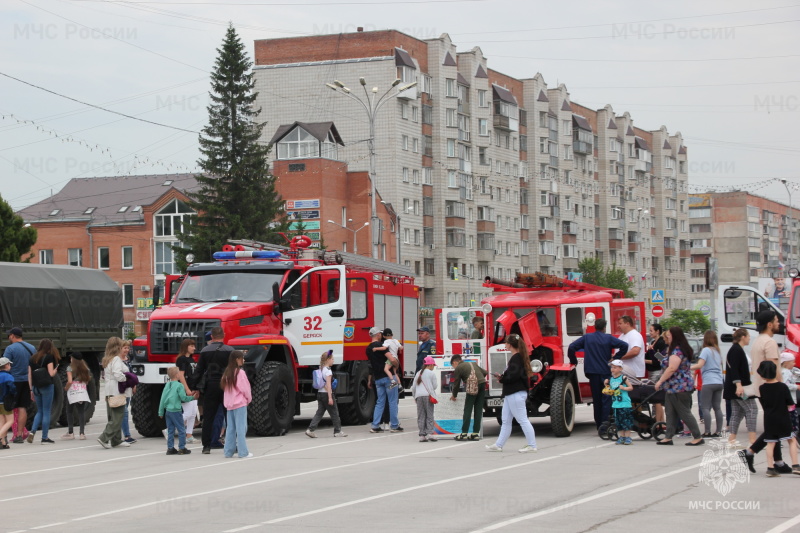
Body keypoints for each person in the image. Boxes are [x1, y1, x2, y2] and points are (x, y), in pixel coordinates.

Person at [738, 310, 793, 473]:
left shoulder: (757, 341)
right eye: (776, 321)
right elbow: (773, 367)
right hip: (773, 387)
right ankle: (749, 452)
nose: (778, 324)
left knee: (773, 426)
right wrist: (781, 388)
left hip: (761, 387)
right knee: (774, 427)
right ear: (769, 324)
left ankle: (778, 462)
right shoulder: (769, 342)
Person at [568, 318, 629, 428]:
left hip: (592, 372)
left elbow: (572, 347)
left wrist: (573, 361)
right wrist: (615, 358)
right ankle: (605, 423)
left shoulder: (587, 338)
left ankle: (599, 424)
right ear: (604, 327)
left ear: (595, 326)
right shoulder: (608, 338)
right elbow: (624, 346)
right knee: (606, 398)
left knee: (596, 400)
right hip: (605, 372)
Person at [486, 334, 537, 453]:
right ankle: (499, 444)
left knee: (522, 420)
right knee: (506, 420)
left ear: (510, 344)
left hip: (515, 393)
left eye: (506, 342)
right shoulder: (518, 357)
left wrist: (502, 378)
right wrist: (503, 377)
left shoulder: (516, 358)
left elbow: (513, 376)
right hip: (512, 394)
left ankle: (532, 445)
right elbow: (514, 375)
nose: (505, 344)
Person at [655, 327, 703, 446]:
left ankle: (697, 436)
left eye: (669, 335)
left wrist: (660, 381)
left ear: (675, 336)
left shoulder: (677, 351)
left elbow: (672, 368)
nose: (667, 337)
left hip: (679, 387)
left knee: (684, 412)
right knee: (670, 411)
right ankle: (668, 436)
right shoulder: (676, 350)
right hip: (672, 387)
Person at [190, 327, 234, 454]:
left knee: (208, 417)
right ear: (223, 335)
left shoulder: (205, 351)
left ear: (212, 337)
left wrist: (194, 387)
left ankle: (206, 446)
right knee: (229, 416)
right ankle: (232, 444)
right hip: (226, 386)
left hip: (210, 386)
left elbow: (199, 371)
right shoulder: (230, 350)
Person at [754, 361, 798, 476]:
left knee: (771, 443)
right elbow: (789, 402)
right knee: (791, 440)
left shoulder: (762, 388)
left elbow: (764, 403)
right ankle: (795, 465)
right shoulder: (782, 386)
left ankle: (770, 467)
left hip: (769, 418)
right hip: (783, 417)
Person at [725, 328, 758, 448]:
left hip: (734, 387)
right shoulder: (736, 350)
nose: (749, 338)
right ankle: (752, 440)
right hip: (739, 387)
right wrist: (738, 385)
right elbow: (734, 369)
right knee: (752, 410)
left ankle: (731, 440)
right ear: (743, 337)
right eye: (748, 336)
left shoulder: (736, 349)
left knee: (737, 413)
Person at [367, 327, 402, 433]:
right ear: (378, 335)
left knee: (379, 402)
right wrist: (396, 364)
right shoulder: (381, 345)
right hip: (389, 378)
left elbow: (371, 364)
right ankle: (394, 425)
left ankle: (375, 425)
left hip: (378, 379)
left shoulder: (368, 348)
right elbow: (391, 359)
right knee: (392, 401)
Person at [97, 337, 130, 449]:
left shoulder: (107, 359)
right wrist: (126, 379)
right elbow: (117, 374)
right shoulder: (116, 359)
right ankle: (104, 437)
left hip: (108, 390)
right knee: (117, 416)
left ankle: (116, 440)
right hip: (116, 390)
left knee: (112, 415)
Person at [306, 351, 347, 438]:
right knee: (334, 413)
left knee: (319, 413)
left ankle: (310, 429)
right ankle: (337, 431)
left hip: (320, 393)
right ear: (328, 360)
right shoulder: (328, 371)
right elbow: (328, 385)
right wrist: (330, 397)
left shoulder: (321, 369)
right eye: (332, 359)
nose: (333, 361)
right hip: (326, 394)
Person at [27, 338, 60, 445]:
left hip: (36, 387)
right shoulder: (49, 357)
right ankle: (44, 437)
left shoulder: (32, 358)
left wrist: (31, 389)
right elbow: (51, 374)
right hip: (46, 386)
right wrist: (56, 370)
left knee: (39, 411)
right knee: (46, 411)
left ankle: (32, 432)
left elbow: (29, 374)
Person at [4, 327, 34, 443]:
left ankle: (4, 435)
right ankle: (19, 435)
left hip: (13, 381)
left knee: (8, 408)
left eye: (9, 335)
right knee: (22, 407)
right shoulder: (31, 348)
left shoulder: (10, 349)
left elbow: (5, 366)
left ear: (12, 336)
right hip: (27, 381)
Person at [691, 330, 724, 438]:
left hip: (709, 381)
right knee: (717, 407)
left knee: (705, 407)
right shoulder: (717, 351)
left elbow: (700, 365)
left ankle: (707, 431)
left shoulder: (705, 350)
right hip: (719, 381)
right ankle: (718, 431)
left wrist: (686, 367)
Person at [221, 350, 253, 459]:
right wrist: (248, 399)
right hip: (239, 404)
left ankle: (228, 452)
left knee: (230, 428)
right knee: (241, 428)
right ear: (237, 359)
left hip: (229, 405)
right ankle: (243, 452)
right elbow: (245, 389)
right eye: (242, 358)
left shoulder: (227, 372)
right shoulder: (240, 373)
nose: (243, 360)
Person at [449, 354, 488, 441]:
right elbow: (485, 372)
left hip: (472, 387)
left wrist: (454, 395)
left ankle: (464, 433)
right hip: (482, 385)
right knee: (478, 409)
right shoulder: (472, 363)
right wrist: (478, 380)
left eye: (453, 365)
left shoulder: (459, 368)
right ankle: (475, 434)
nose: (454, 367)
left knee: (468, 409)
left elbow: (456, 383)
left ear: (455, 362)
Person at [158, 366, 194, 455]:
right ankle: (182, 448)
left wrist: (161, 411)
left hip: (168, 411)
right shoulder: (179, 385)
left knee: (170, 430)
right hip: (176, 410)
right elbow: (183, 398)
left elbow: (162, 399)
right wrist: (192, 397)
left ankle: (170, 448)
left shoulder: (167, 385)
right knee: (181, 429)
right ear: (178, 375)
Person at [61, 352, 91, 440]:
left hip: (73, 391)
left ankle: (71, 432)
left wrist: (66, 388)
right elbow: (87, 381)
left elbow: (70, 381)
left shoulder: (70, 368)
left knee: (69, 411)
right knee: (81, 412)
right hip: (82, 391)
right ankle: (82, 433)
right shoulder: (86, 368)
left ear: (73, 359)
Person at [176, 339, 199, 444]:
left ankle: (189, 435)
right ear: (186, 347)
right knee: (188, 412)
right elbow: (181, 375)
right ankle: (170, 429)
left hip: (193, 388)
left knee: (193, 413)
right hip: (186, 388)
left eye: (194, 346)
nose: (194, 348)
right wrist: (186, 389)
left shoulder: (191, 359)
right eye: (191, 346)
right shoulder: (181, 359)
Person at [605, 360, 634, 445]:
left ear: (620, 368)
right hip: (616, 404)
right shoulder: (611, 379)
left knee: (626, 421)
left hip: (624, 403)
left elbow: (631, 387)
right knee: (618, 421)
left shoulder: (623, 378)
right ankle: (621, 437)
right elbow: (610, 389)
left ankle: (628, 437)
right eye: (612, 367)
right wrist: (606, 385)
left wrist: (624, 388)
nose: (612, 369)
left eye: (615, 367)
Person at [410, 356, 438, 442]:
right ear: (430, 365)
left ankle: (422, 435)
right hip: (427, 396)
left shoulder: (418, 373)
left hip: (419, 396)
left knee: (421, 416)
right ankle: (430, 433)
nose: (433, 367)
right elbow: (435, 386)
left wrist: (415, 396)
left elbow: (413, 387)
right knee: (429, 415)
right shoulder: (431, 373)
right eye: (433, 365)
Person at [645, 323, 667, 422]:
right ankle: (655, 417)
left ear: (657, 331)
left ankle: (657, 418)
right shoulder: (653, 341)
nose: (650, 333)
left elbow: (660, 359)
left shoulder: (661, 343)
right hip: (651, 370)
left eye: (651, 331)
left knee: (655, 395)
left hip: (657, 370)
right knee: (653, 395)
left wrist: (652, 350)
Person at [119, 340, 137, 444]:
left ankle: (126, 434)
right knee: (124, 412)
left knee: (125, 411)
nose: (127, 350)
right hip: (122, 389)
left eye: (128, 348)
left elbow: (132, 374)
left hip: (129, 389)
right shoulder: (118, 361)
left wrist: (134, 385)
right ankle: (127, 435)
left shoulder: (128, 360)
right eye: (124, 348)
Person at [779, 352, 799, 444]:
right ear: (786, 362)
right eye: (792, 362)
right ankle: (794, 440)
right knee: (793, 421)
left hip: (786, 401)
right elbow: (785, 385)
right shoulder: (786, 372)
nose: (794, 364)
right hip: (789, 400)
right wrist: (797, 387)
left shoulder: (782, 371)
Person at [0, 357, 16, 449]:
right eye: (9, 364)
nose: (10, 366)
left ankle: (3, 443)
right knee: (10, 421)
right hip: (5, 402)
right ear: (6, 365)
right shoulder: (8, 376)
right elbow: (12, 388)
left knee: (2, 421)